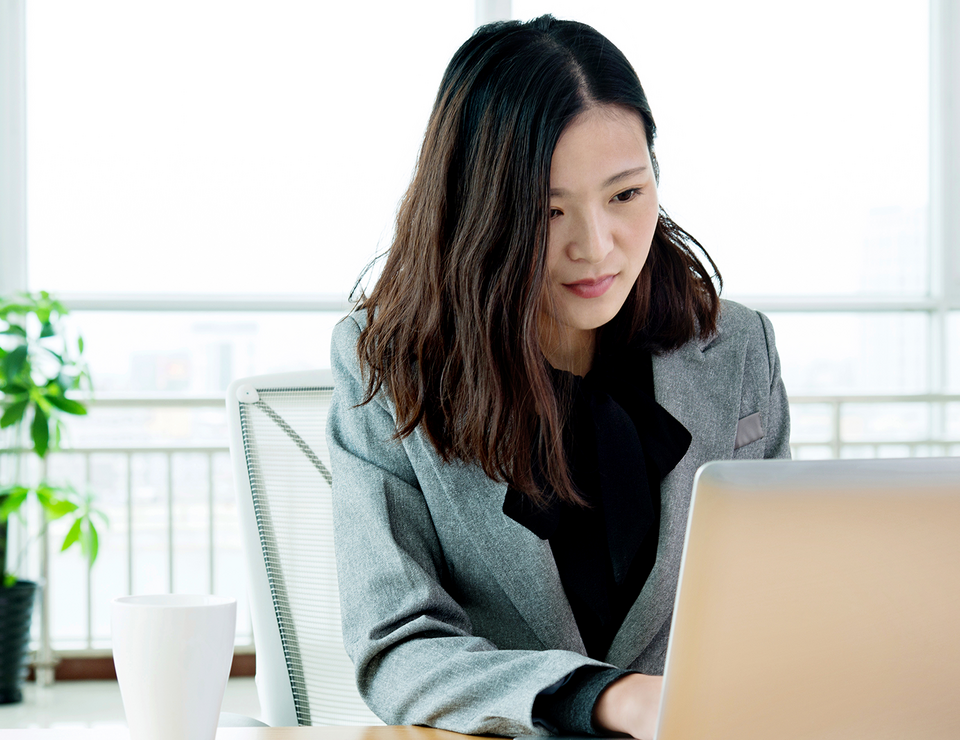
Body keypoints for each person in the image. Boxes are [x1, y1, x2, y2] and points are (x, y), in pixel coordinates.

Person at [327, 15, 790, 740]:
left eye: (625, 196)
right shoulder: (389, 362)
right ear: (480, 212)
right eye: (548, 211)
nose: (597, 246)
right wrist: (611, 698)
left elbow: (779, 608)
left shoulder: (734, 349)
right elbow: (397, 648)